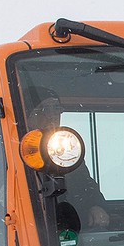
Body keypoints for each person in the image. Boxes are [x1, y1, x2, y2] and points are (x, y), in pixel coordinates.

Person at [24, 97, 110, 231]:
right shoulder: (3, 149)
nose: (53, 115)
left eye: (57, 109)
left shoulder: (65, 150)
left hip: (71, 231)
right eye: (46, 109)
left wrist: (96, 205)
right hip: (30, 232)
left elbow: (85, 184)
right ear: (27, 115)